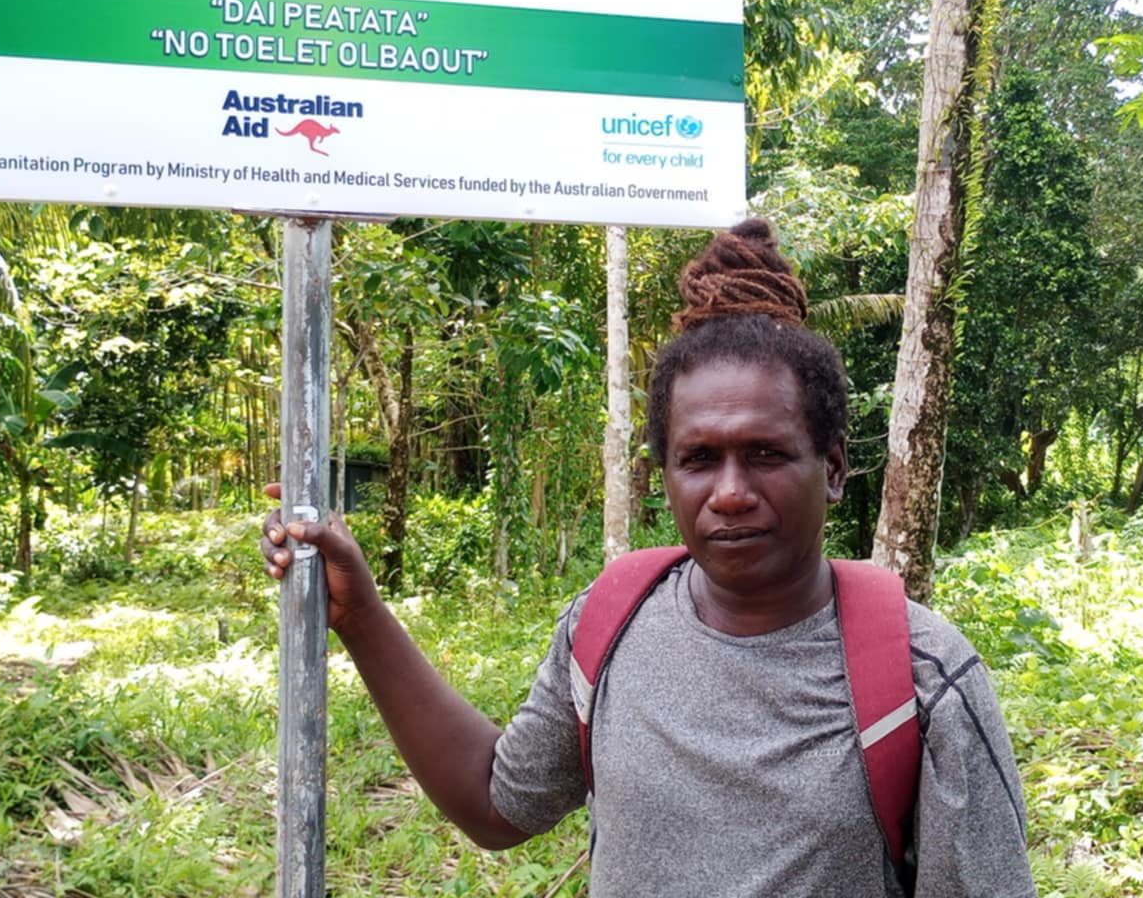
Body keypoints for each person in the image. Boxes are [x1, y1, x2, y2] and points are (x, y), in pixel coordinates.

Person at [262, 219, 1035, 896]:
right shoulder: (611, 624)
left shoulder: (924, 678)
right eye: (699, 458)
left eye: (766, 453)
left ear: (832, 468)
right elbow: (496, 805)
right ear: (664, 474)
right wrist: (360, 615)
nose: (730, 493)